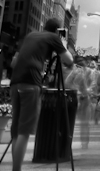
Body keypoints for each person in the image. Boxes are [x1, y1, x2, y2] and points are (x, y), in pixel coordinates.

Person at [10, 18, 73, 171]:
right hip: (31, 84)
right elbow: (69, 60)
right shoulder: (53, 38)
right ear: (58, 31)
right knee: (24, 131)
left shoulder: (31, 36)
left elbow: (13, 62)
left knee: (16, 130)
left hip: (15, 83)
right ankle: (16, 170)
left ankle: (15, 167)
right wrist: (61, 45)